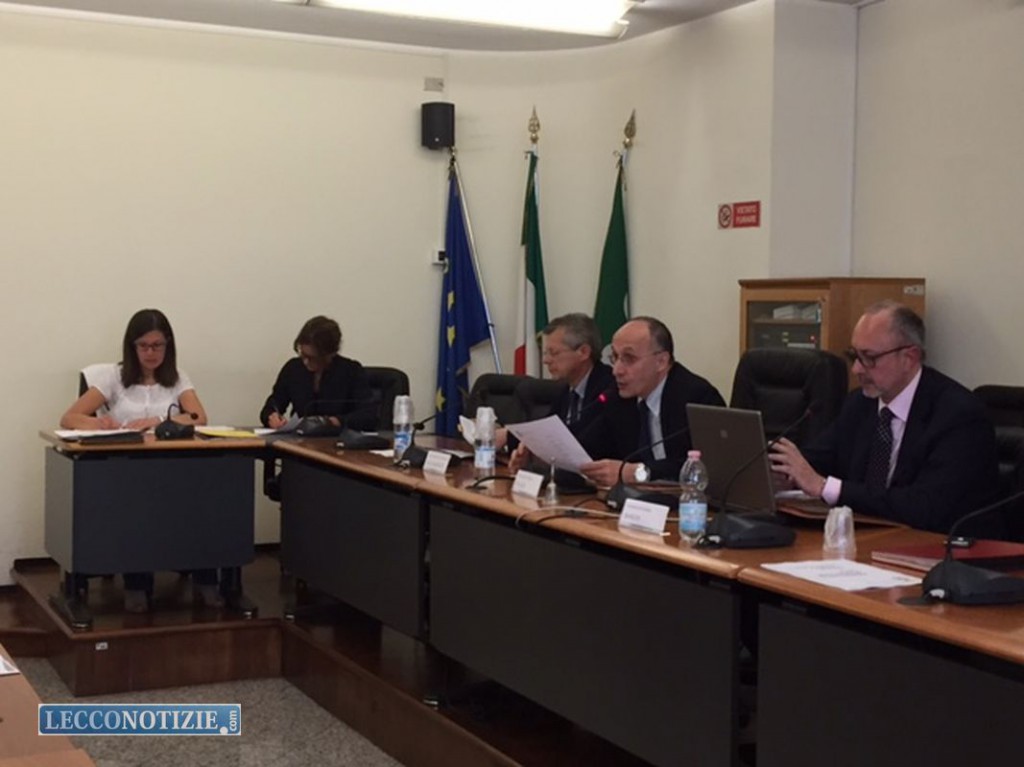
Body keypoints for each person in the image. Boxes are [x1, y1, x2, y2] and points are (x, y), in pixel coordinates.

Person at [769, 301, 999, 534]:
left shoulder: (959, 416)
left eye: (869, 358)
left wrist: (824, 486)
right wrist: (784, 474)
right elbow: (819, 458)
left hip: (939, 545)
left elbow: (926, 507)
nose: (856, 369)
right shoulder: (859, 403)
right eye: (854, 356)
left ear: (909, 357)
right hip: (869, 538)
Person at [60, 308, 219, 612]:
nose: (150, 353)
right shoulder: (113, 377)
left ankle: (207, 578)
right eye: (143, 346)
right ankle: (137, 584)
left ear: (168, 345)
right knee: (139, 504)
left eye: (158, 346)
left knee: (204, 500)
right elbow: (69, 417)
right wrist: (100, 423)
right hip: (126, 468)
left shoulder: (177, 378)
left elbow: (198, 417)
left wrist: (158, 421)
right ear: (131, 347)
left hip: (171, 468)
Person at [516, 316, 724, 486]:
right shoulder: (619, 398)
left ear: (661, 361)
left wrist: (637, 472)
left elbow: (709, 468)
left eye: (629, 359)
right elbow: (586, 446)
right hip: (641, 506)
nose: (617, 370)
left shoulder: (697, 397)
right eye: (615, 358)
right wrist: (542, 453)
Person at [260, 316, 375, 431]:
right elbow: (272, 405)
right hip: (299, 438)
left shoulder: (351, 371)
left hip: (338, 438)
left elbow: (369, 416)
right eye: (302, 355)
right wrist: (272, 417)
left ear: (329, 354)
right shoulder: (293, 368)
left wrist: (336, 421)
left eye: (312, 358)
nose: (305, 362)